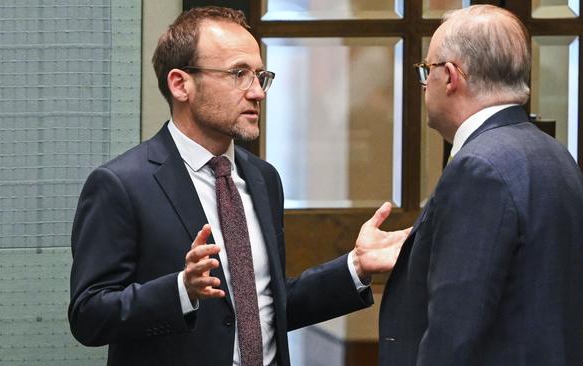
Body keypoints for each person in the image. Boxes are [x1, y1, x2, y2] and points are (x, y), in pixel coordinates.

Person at [68, 6, 409, 366]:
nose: (257, 93)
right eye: (238, 74)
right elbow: (89, 316)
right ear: (181, 84)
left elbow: (264, 306)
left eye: (259, 75)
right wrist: (181, 290)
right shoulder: (121, 185)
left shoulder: (263, 178)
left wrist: (355, 267)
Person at [378, 5, 583, 366]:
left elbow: (454, 332)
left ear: (450, 76)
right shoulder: (558, 157)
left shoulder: (478, 169)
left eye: (426, 70)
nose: (424, 82)